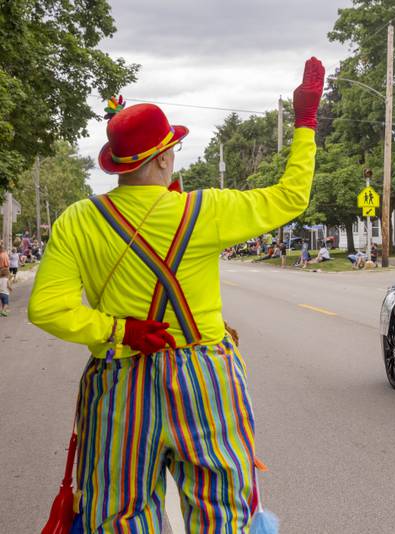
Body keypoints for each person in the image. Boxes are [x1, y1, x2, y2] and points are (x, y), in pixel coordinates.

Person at [30, 57, 324, 532]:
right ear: (165, 158)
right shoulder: (204, 210)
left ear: (119, 166)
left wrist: (116, 329)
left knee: (119, 517)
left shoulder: (77, 220)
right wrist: (305, 122)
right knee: (222, 516)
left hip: (120, 380)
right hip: (205, 380)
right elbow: (291, 196)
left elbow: (46, 308)